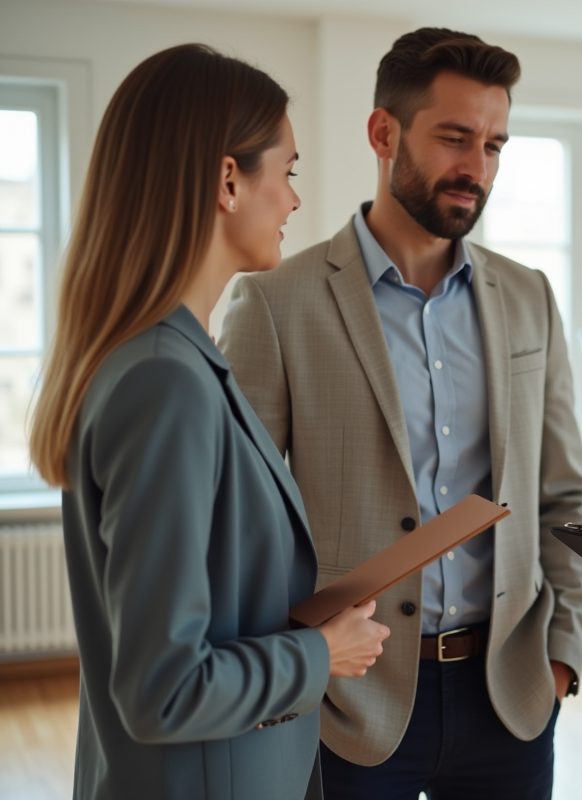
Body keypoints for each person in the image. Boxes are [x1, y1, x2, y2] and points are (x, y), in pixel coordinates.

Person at [219, 27, 582, 800]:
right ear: (383, 133)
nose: (476, 167)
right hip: (348, 701)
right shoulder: (274, 303)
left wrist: (563, 653)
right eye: (454, 137)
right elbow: (244, 522)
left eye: (494, 145)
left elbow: (564, 493)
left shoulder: (530, 298)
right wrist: (295, 671)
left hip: (511, 694)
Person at [28, 44, 391, 800]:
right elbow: (163, 688)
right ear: (229, 180)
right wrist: (320, 655)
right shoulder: (165, 381)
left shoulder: (173, 361)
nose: (295, 201)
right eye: (287, 172)